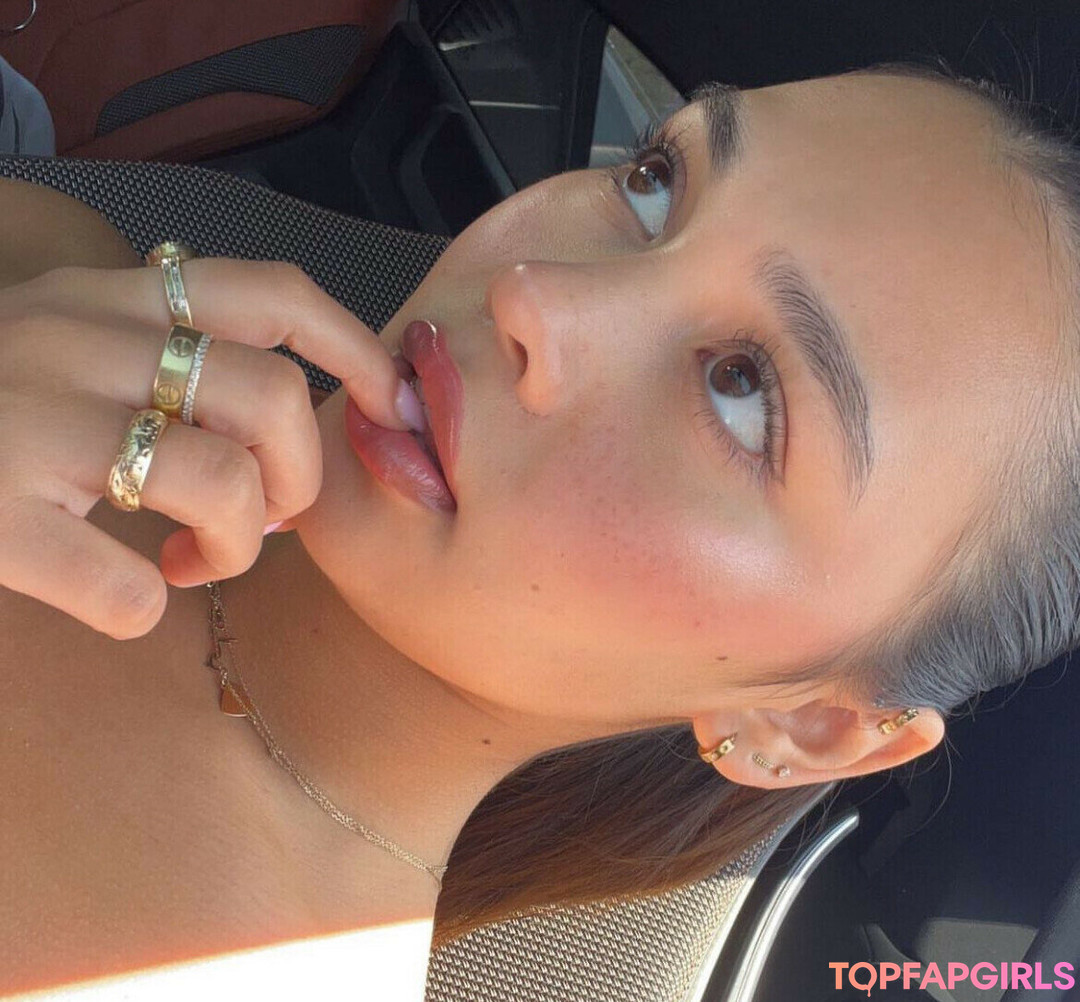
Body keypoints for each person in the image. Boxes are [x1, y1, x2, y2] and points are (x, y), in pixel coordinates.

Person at [1, 60, 1077, 997]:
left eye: (744, 390)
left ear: (811, 727)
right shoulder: (63, 266)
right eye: (656, 184)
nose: (535, 295)